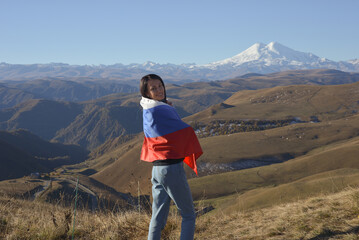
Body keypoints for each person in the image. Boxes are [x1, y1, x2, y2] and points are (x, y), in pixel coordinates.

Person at [139, 74, 203, 240]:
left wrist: (166, 107)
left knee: (158, 216)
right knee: (188, 215)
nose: (159, 90)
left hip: (157, 170)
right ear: (147, 92)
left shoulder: (147, 109)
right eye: (153, 88)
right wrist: (170, 109)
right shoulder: (162, 109)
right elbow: (184, 130)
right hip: (172, 169)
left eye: (160, 86)